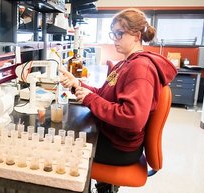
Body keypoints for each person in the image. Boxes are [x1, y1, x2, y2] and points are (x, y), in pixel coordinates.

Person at [59, 8, 177, 191]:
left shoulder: (140, 68)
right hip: (113, 137)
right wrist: (78, 84)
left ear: (137, 35)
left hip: (120, 148)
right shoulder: (125, 63)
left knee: (63, 145)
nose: (114, 39)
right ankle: (104, 187)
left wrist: (90, 99)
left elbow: (132, 118)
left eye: (119, 34)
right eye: (113, 34)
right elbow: (103, 93)